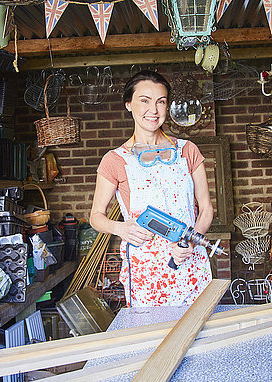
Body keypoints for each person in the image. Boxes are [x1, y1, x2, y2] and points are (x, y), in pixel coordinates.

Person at [90, 70, 213, 307]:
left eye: (161, 102)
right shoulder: (115, 160)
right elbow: (96, 216)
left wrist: (190, 242)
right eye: (144, 101)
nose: (153, 111)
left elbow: (206, 208)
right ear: (129, 105)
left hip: (189, 262)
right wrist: (119, 228)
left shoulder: (187, 151)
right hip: (145, 270)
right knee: (153, 338)